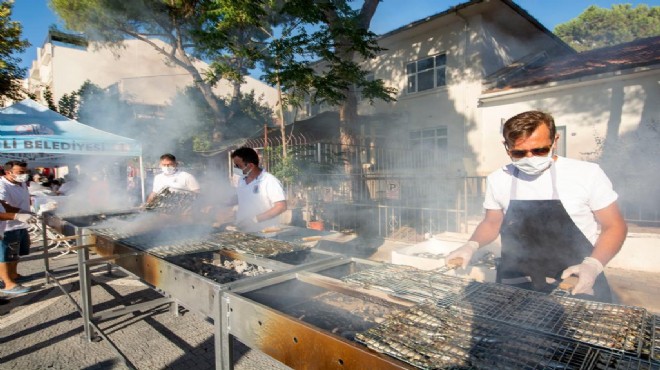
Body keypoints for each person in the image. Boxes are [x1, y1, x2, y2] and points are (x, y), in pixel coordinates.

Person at [446, 111, 627, 302]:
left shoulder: (586, 174)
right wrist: (470, 245)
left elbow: (614, 226)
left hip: (578, 276)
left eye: (540, 150)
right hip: (517, 278)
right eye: (519, 153)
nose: (530, 158)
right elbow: (492, 222)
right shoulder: (498, 179)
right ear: (506, 147)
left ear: (555, 140)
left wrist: (593, 265)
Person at [0, 161, 37, 295]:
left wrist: (25, 211)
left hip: (20, 224)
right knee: (4, 256)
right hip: (7, 227)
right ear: (8, 172)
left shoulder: (21, 183)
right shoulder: (2, 186)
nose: (25, 175)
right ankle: (8, 283)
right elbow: (3, 208)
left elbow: (13, 204)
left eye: (26, 171)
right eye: (21, 172)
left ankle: (14, 275)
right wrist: (17, 215)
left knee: (15, 253)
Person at [229, 147, 287, 232]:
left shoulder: (269, 181)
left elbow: (281, 207)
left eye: (238, 166)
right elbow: (242, 197)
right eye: (235, 165)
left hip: (265, 233)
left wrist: (254, 220)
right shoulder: (241, 179)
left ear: (251, 165)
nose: (235, 168)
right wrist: (220, 203)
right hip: (244, 231)